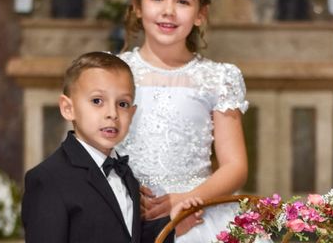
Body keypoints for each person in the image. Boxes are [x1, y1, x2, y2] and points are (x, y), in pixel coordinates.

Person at [116, 0, 249, 242]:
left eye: (183, 2)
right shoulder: (112, 72)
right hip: (125, 212)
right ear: (137, 6)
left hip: (197, 214)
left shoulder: (218, 78)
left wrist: (186, 200)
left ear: (201, 14)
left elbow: (235, 165)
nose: (168, 11)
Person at [21, 51, 203, 243]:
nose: (112, 113)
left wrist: (173, 226)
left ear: (132, 114)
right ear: (68, 108)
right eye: (97, 101)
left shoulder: (125, 173)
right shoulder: (48, 179)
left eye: (122, 104)